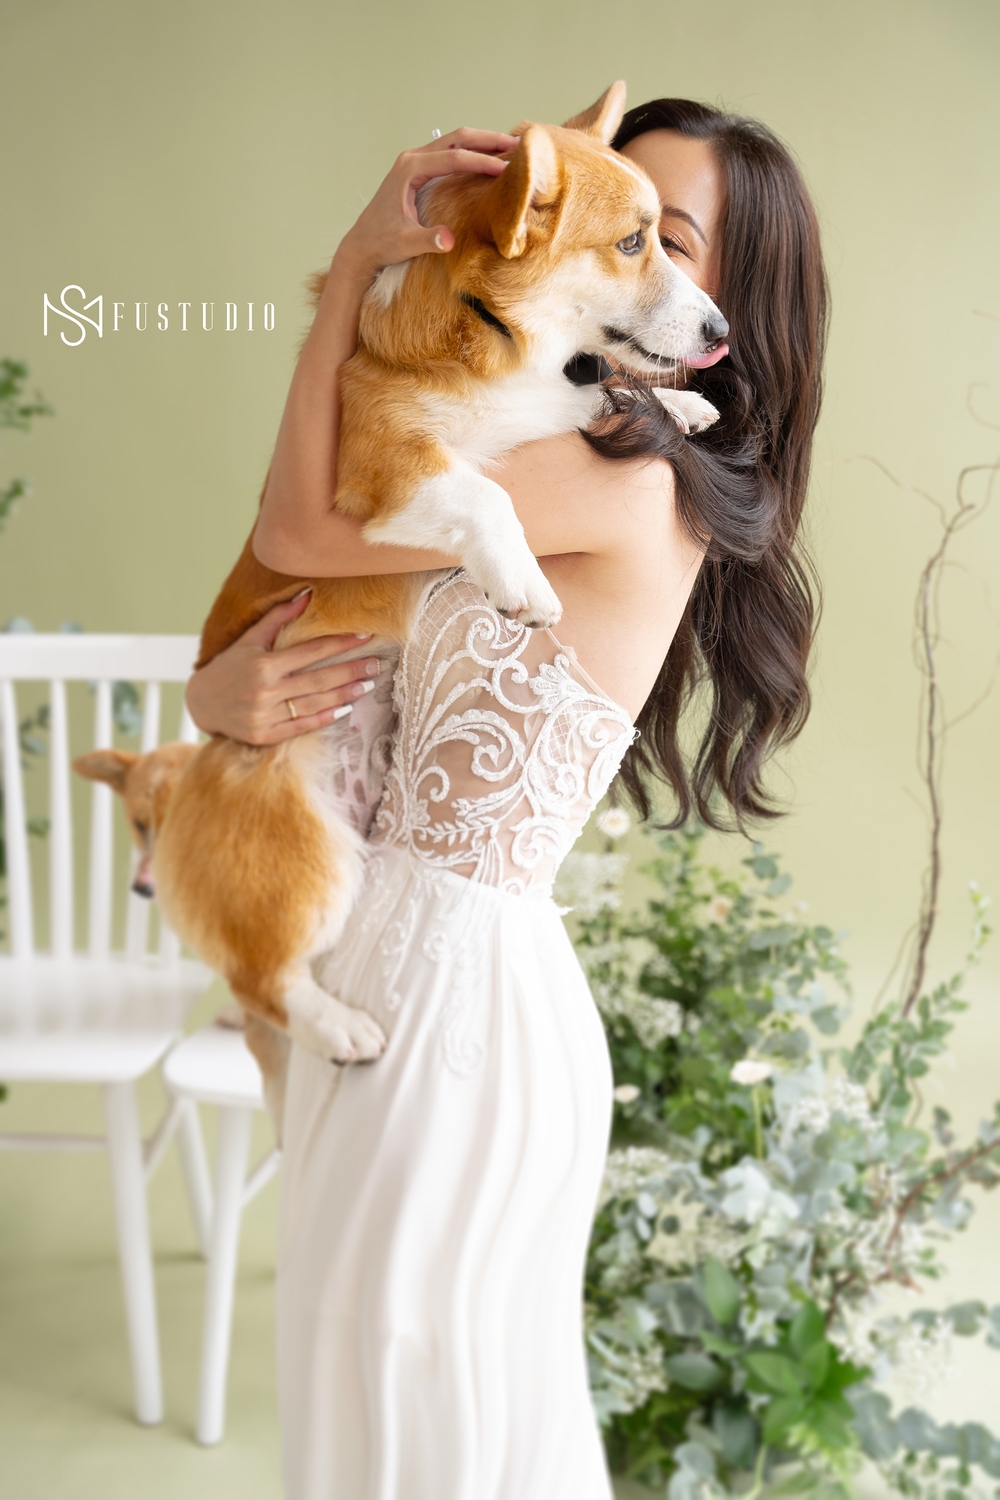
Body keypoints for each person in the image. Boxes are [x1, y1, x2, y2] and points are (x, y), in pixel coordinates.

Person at [185, 98, 826, 1500]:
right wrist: (213, 698)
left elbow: (299, 518)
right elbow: (306, 584)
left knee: (429, 1434)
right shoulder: (536, 436)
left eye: (667, 240)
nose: (626, 257)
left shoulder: (626, 480)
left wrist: (357, 270)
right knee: (383, 1419)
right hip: (386, 975)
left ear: (726, 299)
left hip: (453, 1007)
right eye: (615, 222)